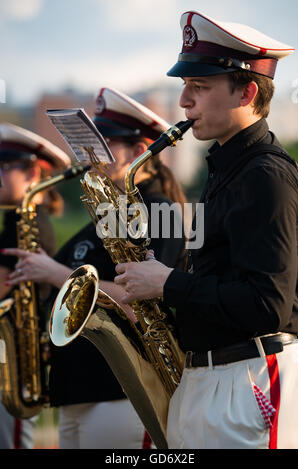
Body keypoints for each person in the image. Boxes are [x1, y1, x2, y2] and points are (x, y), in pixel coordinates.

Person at [113, 11, 298, 450]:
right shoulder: (224, 169)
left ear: (248, 91)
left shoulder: (265, 174)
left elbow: (267, 303)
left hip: (248, 381)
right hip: (210, 380)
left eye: (199, 87)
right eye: (185, 86)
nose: (184, 101)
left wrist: (169, 283)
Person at [4, 87, 187, 449]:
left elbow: (146, 305)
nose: (88, 153)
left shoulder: (160, 210)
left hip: (122, 390)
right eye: (88, 141)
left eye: (103, 142)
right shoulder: (104, 213)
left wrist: (53, 274)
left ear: (138, 151)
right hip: (79, 388)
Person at [0, 123, 71, 449]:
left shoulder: (27, 224)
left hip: (13, 362)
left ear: (31, 173)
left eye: (2, 168)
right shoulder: (16, 220)